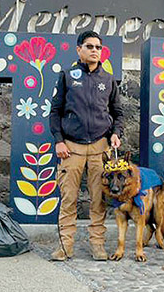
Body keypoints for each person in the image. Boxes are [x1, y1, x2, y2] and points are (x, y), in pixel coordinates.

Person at [48, 30, 123, 262]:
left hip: (100, 148)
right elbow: (55, 111)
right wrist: (58, 140)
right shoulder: (67, 76)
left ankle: (98, 245)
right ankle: (65, 246)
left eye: (98, 47)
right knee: (68, 198)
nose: (94, 51)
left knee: (98, 199)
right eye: (89, 46)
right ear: (79, 49)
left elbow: (118, 113)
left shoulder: (108, 79)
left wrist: (116, 134)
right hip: (71, 148)